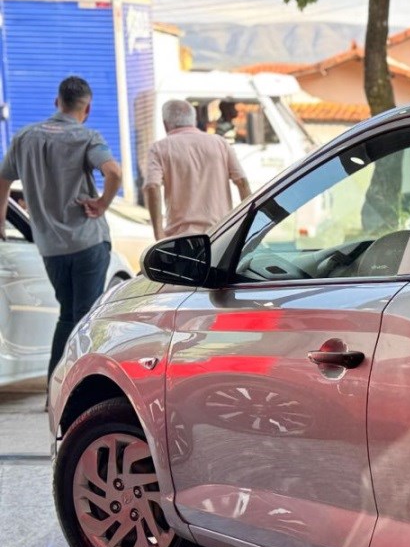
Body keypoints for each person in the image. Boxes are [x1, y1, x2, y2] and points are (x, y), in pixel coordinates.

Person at [0, 76, 123, 378]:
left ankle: (54, 389)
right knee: (86, 318)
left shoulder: (24, 137)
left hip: (51, 247)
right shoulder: (87, 137)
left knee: (68, 315)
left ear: (57, 102)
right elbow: (114, 172)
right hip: (88, 241)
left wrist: (1, 223)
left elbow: (3, 180)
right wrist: (102, 204)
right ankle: (76, 388)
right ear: (87, 108)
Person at [143, 99, 252, 242]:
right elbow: (242, 182)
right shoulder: (220, 143)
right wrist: (247, 225)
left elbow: (152, 186)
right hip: (221, 235)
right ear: (193, 120)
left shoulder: (159, 148)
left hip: (181, 240)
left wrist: (159, 234)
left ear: (165, 124)